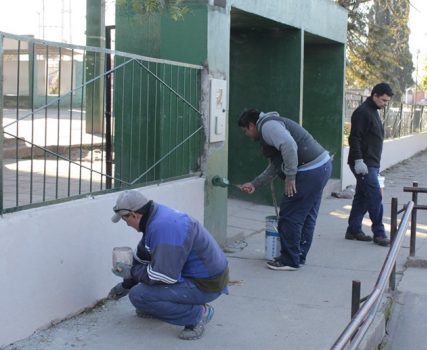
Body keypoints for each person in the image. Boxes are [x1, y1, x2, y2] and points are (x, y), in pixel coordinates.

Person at [107, 190, 229, 340]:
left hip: (207, 284)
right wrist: (126, 284)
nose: (127, 225)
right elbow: (142, 257)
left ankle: (198, 314)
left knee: (139, 296)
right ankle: (162, 307)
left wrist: (131, 272)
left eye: (125, 220)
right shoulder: (155, 217)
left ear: (134, 215)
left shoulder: (163, 228)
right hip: (202, 275)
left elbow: (164, 276)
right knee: (140, 296)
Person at [238, 109, 332, 271]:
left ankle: (289, 259)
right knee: (307, 215)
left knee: (290, 215)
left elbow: (289, 146)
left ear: (252, 125)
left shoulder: (267, 128)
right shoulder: (273, 124)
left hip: (309, 172)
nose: (246, 134)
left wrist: (291, 177)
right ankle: (298, 257)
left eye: (245, 130)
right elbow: (275, 165)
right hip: (321, 167)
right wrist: (255, 183)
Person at [346, 83, 394, 246]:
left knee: (363, 197)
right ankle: (379, 233)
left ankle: (353, 230)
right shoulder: (363, 112)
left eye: (387, 101)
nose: (385, 104)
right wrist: (359, 161)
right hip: (363, 164)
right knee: (375, 196)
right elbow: (354, 138)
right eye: (383, 100)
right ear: (375, 95)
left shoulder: (373, 111)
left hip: (371, 163)